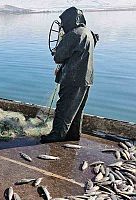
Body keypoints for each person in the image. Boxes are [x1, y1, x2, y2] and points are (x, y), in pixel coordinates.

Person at [41, 7, 98, 143]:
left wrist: (57, 50)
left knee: (64, 107)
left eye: (64, 21)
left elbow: (58, 57)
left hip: (72, 78)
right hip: (86, 79)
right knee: (76, 109)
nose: (63, 25)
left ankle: (56, 135)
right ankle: (73, 134)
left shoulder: (74, 34)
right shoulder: (88, 32)